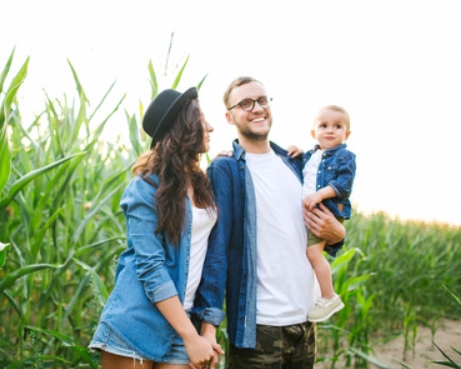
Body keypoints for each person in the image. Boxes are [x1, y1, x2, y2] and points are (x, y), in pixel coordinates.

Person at [194, 77, 346, 369]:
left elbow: (319, 228)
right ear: (229, 116)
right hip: (259, 327)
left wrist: (338, 235)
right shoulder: (226, 169)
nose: (257, 108)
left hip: (304, 323)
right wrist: (209, 324)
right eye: (245, 104)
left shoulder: (296, 164)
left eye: (262, 100)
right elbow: (217, 250)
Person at [89, 87, 224, 369]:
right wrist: (191, 336)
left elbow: (214, 256)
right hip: (138, 322)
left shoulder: (204, 184)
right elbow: (150, 266)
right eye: (201, 120)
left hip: (186, 320)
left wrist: (204, 328)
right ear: (184, 127)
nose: (210, 127)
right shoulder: (145, 188)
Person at [295, 105, 356, 323]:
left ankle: (329, 296)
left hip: (326, 212)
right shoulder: (311, 156)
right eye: (324, 126)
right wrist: (295, 152)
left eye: (337, 126)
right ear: (314, 133)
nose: (330, 130)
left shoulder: (345, 157)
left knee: (313, 254)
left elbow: (343, 186)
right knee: (307, 252)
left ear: (346, 134)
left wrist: (319, 195)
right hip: (312, 212)